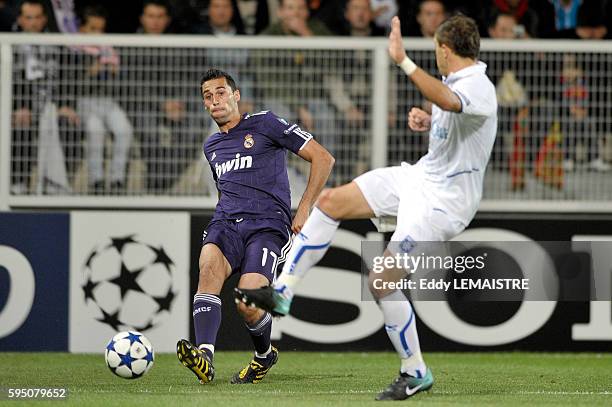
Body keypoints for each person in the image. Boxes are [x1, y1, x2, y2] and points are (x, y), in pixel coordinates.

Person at [236, 14, 498, 400]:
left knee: (381, 281)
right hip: (420, 179)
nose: (433, 57)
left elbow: (454, 102)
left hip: (444, 204)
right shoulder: (454, 82)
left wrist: (404, 61)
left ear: (445, 49)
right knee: (330, 201)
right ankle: (284, 292)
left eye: (434, 50)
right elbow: (454, 114)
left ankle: (415, 371)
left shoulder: (477, 85)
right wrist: (429, 121)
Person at [176, 69, 334, 385]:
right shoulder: (211, 147)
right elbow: (225, 189)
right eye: (208, 96)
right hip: (226, 224)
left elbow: (323, 158)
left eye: (220, 92)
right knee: (208, 265)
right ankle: (205, 355)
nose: (214, 100)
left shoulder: (265, 123)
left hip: (267, 226)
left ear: (236, 96)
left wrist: (303, 210)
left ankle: (263, 356)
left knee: (248, 301)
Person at [11, 0, 79, 195]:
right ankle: (18, 182)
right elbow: (9, 80)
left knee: (67, 123)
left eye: (37, 17)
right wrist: (20, 105)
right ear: (20, 20)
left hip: (51, 105)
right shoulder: (9, 44)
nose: (33, 22)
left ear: (45, 19)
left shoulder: (58, 45)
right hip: (22, 105)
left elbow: (68, 77)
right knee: (19, 124)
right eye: (28, 18)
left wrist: (64, 104)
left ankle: (55, 184)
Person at [77, 5, 134, 194]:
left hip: (108, 101)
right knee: (96, 131)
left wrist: (115, 74)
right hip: (86, 102)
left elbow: (121, 84)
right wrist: (87, 74)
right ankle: (97, 181)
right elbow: (71, 85)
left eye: (100, 29)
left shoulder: (110, 50)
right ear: (82, 29)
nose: (98, 34)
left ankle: (117, 180)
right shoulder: (75, 49)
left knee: (124, 130)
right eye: (93, 29)